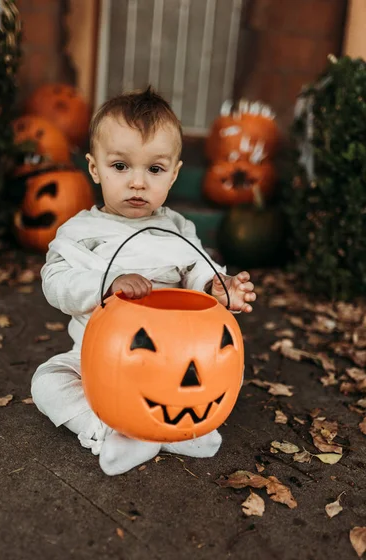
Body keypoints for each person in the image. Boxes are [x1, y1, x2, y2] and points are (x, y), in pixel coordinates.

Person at [31, 87, 256, 476]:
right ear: (94, 168)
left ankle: (184, 426)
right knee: (47, 381)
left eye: (154, 169)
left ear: (174, 174)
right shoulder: (80, 231)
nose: (137, 182)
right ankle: (107, 430)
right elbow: (56, 281)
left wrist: (217, 285)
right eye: (121, 166)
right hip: (98, 362)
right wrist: (108, 282)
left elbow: (196, 267)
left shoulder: (177, 228)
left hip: (173, 363)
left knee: (215, 369)